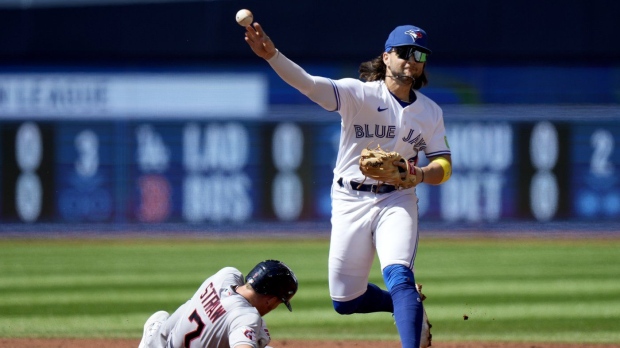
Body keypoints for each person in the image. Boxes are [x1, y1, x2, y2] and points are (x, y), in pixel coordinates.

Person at [243, 22, 451, 348]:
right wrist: (273, 56)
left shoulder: (430, 112)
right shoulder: (360, 94)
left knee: (399, 276)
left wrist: (420, 174)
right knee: (345, 301)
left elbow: (444, 165)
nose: (412, 59)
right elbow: (310, 85)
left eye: (420, 54)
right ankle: (407, 306)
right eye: (404, 52)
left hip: (397, 200)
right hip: (349, 199)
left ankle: (408, 319)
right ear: (386, 56)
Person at [138, 260, 298, 348]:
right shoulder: (247, 317)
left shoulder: (226, 275)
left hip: (169, 343)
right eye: (279, 302)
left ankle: (153, 342)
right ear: (270, 300)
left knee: (175, 311)